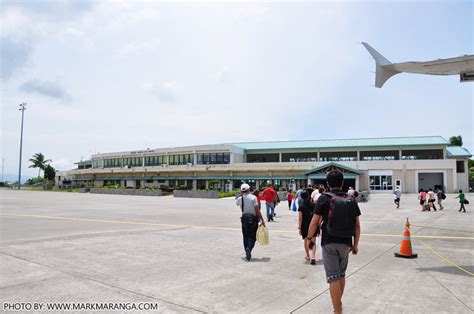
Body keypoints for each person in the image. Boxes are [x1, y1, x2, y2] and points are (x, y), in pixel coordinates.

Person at [307, 171, 361, 314]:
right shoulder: (351, 199)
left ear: (327, 184)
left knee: (333, 278)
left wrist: (309, 238)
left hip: (329, 241)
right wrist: (355, 244)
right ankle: (338, 305)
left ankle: (338, 310)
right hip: (346, 242)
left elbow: (314, 222)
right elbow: (357, 225)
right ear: (342, 183)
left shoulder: (324, 198)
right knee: (341, 275)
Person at [236, 184, 265, 261]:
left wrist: (241, 194)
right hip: (253, 219)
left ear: (242, 191)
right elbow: (257, 210)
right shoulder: (253, 198)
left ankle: (246, 250)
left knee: (245, 236)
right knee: (253, 236)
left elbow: (237, 203)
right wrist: (262, 219)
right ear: (249, 190)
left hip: (244, 219)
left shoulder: (240, 199)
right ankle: (249, 248)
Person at [298, 191, 318, 265]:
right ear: (309, 196)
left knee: (306, 240)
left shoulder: (301, 207)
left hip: (304, 225)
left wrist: (299, 228)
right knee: (313, 240)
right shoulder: (314, 205)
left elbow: (300, 218)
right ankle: (313, 256)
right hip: (313, 224)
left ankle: (307, 255)